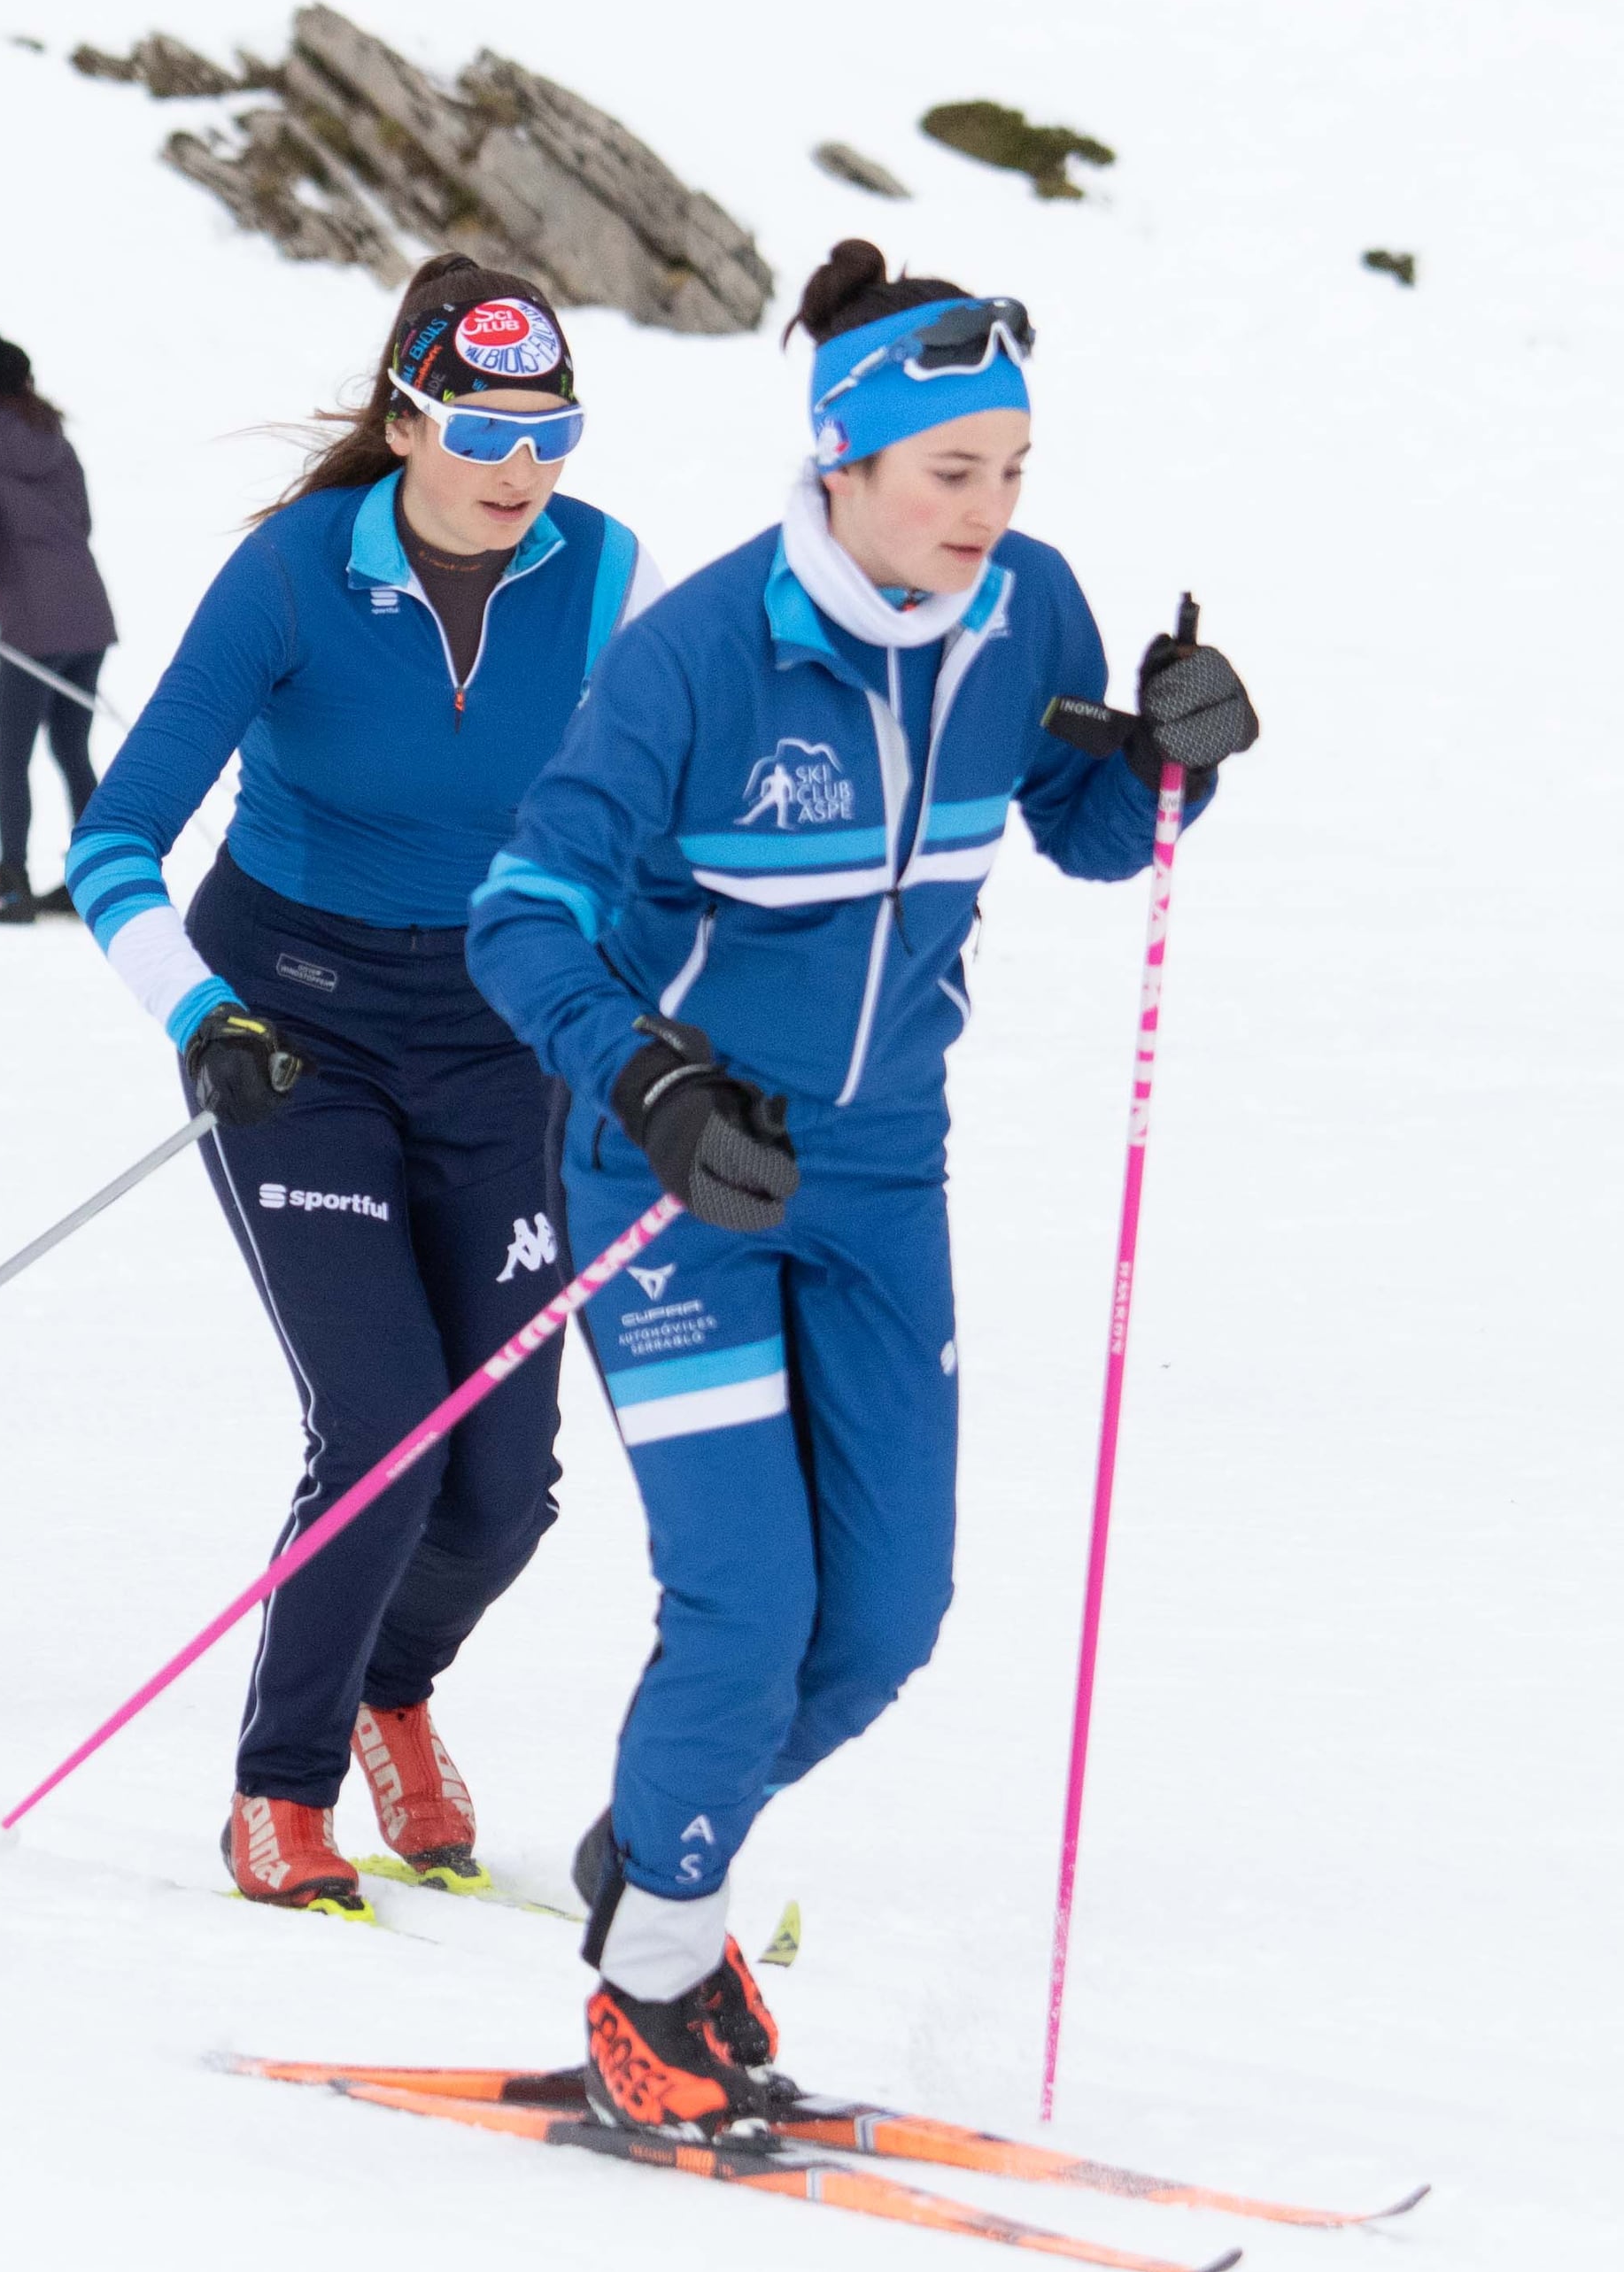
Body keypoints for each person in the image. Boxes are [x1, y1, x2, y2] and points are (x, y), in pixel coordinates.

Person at [467, 242, 1257, 2130]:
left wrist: (1172, 756)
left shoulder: (1024, 608)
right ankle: (651, 1979)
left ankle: (661, 1839)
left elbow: (1077, 827)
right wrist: (647, 1080)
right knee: (742, 1606)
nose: (988, 512)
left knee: (884, 1619)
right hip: (673, 1170)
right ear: (839, 460)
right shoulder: (699, 653)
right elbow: (520, 916)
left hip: (887, 1167)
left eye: (1009, 472)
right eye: (947, 475)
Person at [61, 259, 654, 1912]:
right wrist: (199, 1015)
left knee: (506, 1482)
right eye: (479, 424)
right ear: (404, 416)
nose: (518, 462)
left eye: (552, 429)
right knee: (383, 1423)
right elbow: (111, 842)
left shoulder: (606, 575)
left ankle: (397, 1686)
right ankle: (284, 1783)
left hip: (499, 1033)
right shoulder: (296, 575)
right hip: (292, 1030)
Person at [0, 326, 119, 925]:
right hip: (88, 610)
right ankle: (102, 879)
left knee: (12, 753)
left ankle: (13, 882)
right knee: (71, 745)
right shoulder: (51, 434)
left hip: (33, 625)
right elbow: (83, 518)